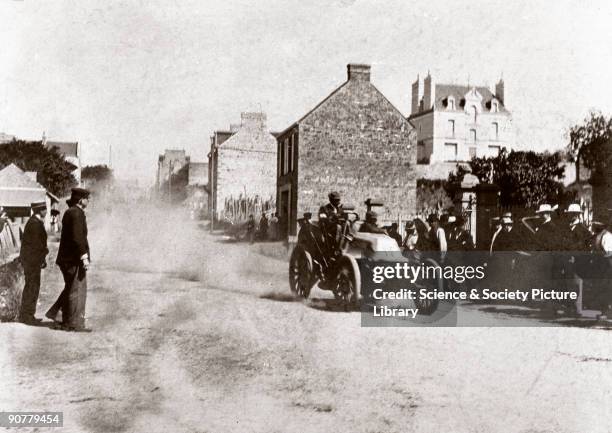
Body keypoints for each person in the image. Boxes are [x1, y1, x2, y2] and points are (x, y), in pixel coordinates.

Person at [46, 188, 92, 332]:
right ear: (80, 200)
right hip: (73, 259)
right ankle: (73, 323)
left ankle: (61, 317)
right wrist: (84, 257)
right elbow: (78, 237)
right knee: (76, 290)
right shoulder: (77, 214)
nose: (88, 201)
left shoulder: (71, 212)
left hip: (67, 259)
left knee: (70, 288)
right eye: (87, 198)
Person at [18, 202, 48, 324]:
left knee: (32, 287)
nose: (46, 211)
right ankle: (27, 316)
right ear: (39, 211)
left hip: (32, 260)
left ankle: (28, 315)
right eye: (44, 209)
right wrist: (44, 254)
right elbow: (37, 245)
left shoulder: (34, 222)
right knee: (32, 287)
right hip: (32, 261)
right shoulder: (35, 224)